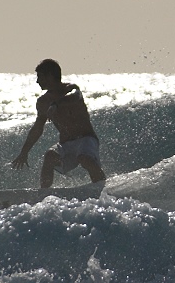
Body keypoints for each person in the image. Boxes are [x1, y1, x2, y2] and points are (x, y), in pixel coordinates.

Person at [11, 59, 106, 188]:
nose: (37, 81)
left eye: (40, 77)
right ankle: (43, 194)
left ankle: (101, 187)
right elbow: (38, 128)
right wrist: (24, 152)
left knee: (85, 158)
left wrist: (56, 104)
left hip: (86, 139)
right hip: (65, 143)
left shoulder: (71, 89)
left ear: (50, 75)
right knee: (50, 156)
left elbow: (75, 96)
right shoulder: (43, 102)